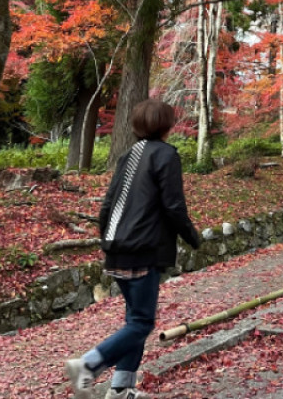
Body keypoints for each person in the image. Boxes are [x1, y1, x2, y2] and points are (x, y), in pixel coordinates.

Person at [66, 99, 200, 399]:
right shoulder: (166, 155)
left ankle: (121, 389)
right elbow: (174, 206)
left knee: (134, 319)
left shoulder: (129, 155)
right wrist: (193, 237)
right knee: (141, 323)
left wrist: (107, 240)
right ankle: (88, 366)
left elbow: (107, 206)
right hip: (143, 249)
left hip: (117, 248)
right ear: (166, 125)